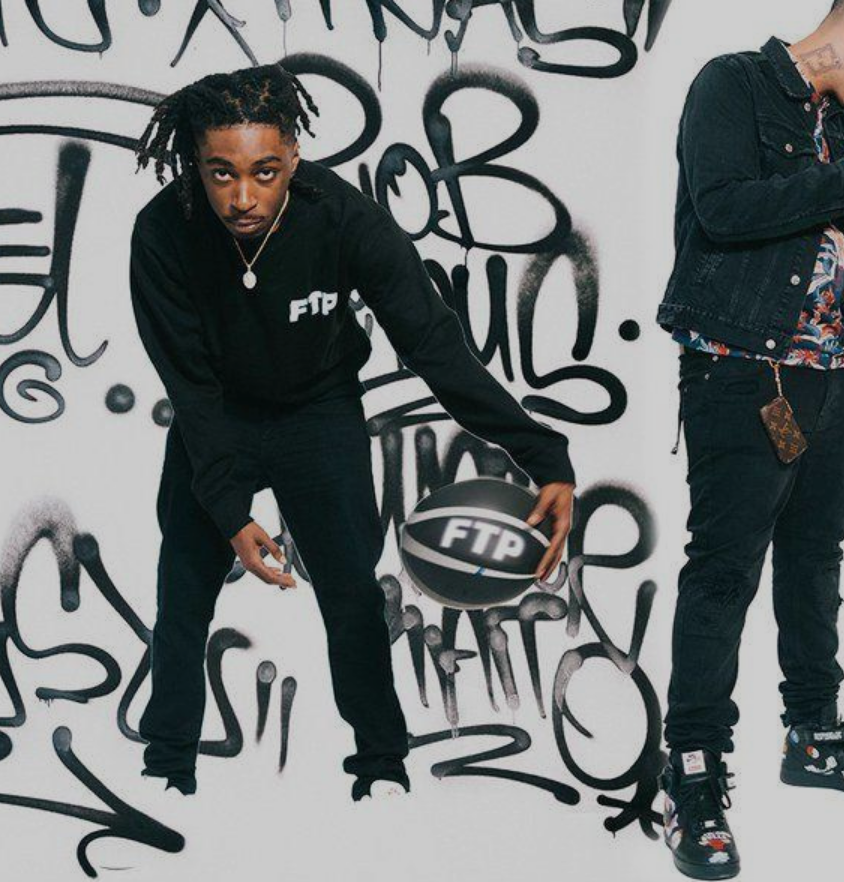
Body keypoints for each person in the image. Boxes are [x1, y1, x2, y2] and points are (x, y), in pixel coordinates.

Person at [129, 65, 577, 801]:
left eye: (265, 171)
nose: (242, 197)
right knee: (182, 593)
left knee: (352, 597)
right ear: (196, 166)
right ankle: (167, 763)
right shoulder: (161, 232)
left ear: (294, 156)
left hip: (318, 411)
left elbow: (435, 346)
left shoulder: (344, 218)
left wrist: (544, 455)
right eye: (221, 173)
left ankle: (381, 761)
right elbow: (192, 390)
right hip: (218, 417)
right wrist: (230, 510)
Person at [654, 0, 844, 882]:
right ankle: (694, 769)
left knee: (817, 553)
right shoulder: (732, 85)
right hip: (742, 372)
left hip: (828, 374)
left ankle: (813, 729)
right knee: (724, 569)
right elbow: (721, 210)